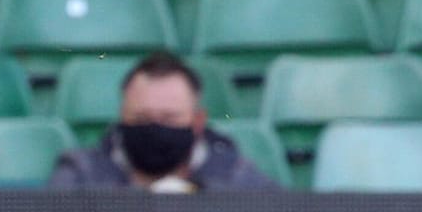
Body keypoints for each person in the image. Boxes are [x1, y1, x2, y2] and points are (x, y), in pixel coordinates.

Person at [50, 51, 281, 192]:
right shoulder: (82, 176)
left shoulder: (236, 178)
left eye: (169, 118)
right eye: (142, 118)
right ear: (122, 116)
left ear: (198, 121)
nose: (155, 127)